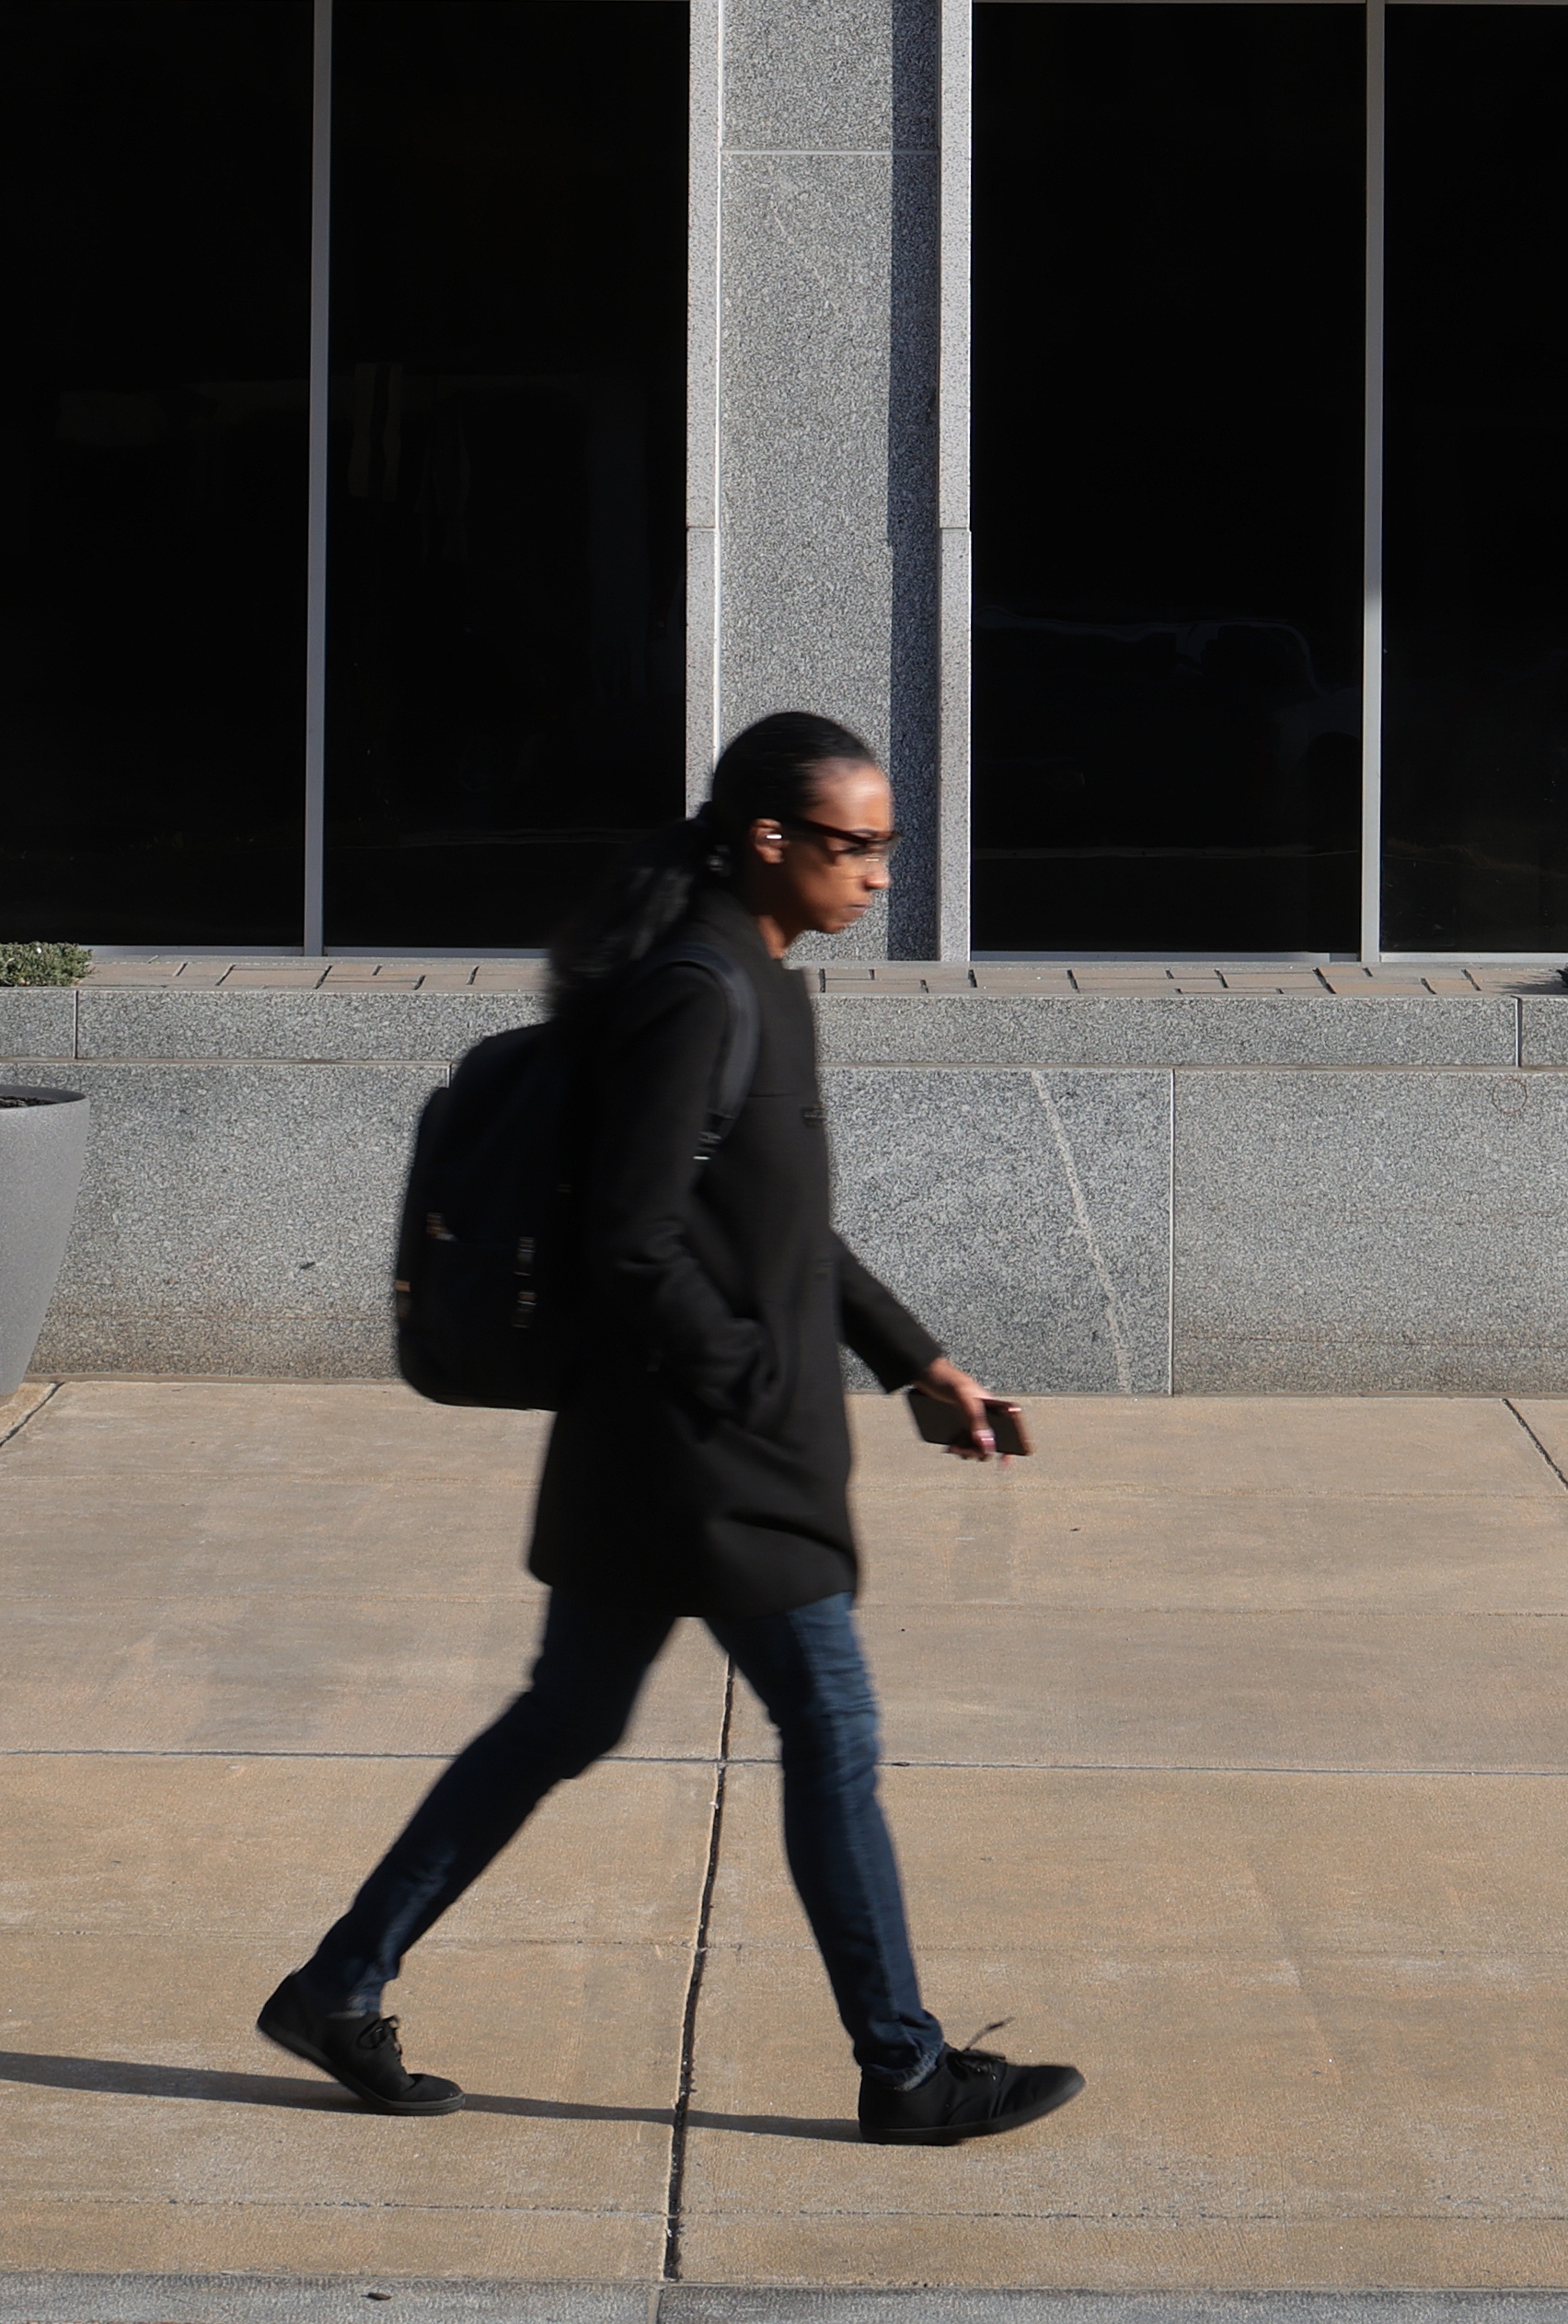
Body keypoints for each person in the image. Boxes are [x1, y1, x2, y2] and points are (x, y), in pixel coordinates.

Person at [259, 712, 1084, 2148]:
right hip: (707, 1456)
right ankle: (902, 2068)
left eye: (886, 845)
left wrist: (914, 1361)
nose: (880, 875)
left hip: (670, 1445)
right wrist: (745, 1378)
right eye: (859, 845)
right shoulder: (699, 987)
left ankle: (339, 1982)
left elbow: (780, 1223)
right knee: (831, 1729)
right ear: (771, 837)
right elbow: (631, 1240)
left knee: (562, 1720)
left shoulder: (754, 974)